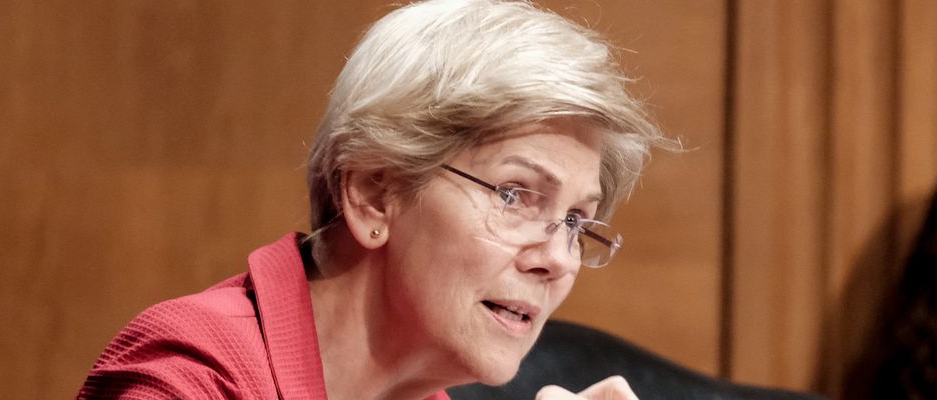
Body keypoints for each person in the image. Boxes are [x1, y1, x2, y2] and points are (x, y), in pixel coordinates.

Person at [77, 0, 676, 399]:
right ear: (372, 195)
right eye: (516, 195)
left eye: (575, 220)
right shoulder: (192, 376)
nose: (562, 258)